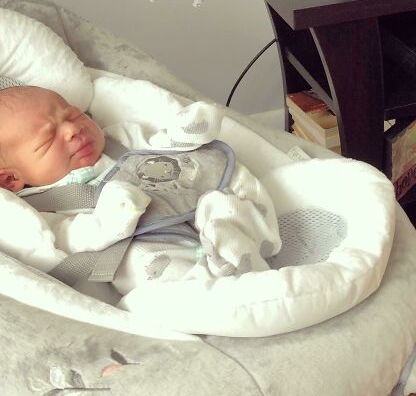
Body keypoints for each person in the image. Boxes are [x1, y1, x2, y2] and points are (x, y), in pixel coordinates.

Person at [0, 85, 280, 289]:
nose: (72, 130)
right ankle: (217, 285)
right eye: (49, 138)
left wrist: (181, 137)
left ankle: (241, 246)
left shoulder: (120, 139)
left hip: (192, 214)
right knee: (142, 271)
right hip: (137, 250)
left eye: (73, 115)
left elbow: (157, 150)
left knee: (227, 200)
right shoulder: (38, 205)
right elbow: (61, 240)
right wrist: (104, 223)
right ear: (11, 180)